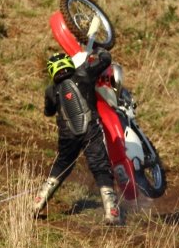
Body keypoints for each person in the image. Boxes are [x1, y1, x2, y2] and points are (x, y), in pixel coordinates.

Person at [32, 50, 122, 225]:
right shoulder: (83, 72)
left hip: (67, 135)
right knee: (100, 167)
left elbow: (48, 112)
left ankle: (38, 201)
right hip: (91, 130)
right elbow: (106, 60)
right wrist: (98, 52)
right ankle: (112, 212)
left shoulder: (51, 91)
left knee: (62, 165)